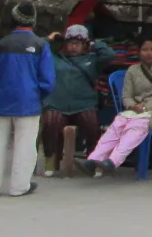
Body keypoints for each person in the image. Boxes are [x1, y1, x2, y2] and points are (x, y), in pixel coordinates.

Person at [0, 2, 54, 197]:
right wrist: (38, 94)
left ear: (13, 20)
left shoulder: (2, 44)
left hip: (2, 100)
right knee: (25, 145)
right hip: (28, 102)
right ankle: (19, 186)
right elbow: (48, 80)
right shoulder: (41, 45)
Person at [80, 39, 152, 176]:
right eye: (144, 49)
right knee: (118, 123)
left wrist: (146, 107)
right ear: (138, 52)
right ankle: (94, 159)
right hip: (137, 109)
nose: (148, 53)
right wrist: (132, 105)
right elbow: (126, 96)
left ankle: (113, 161)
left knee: (137, 124)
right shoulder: (133, 70)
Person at [40, 24, 111, 176]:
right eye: (70, 43)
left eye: (78, 43)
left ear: (84, 45)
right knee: (50, 122)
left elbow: (109, 55)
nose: (73, 46)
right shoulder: (55, 59)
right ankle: (51, 159)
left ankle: (93, 160)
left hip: (84, 104)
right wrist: (50, 38)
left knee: (92, 124)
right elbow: (38, 49)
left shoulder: (92, 60)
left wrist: (92, 43)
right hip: (57, 104)